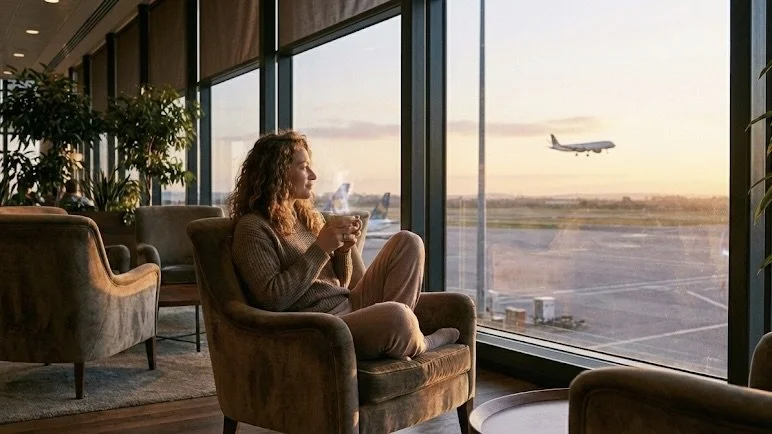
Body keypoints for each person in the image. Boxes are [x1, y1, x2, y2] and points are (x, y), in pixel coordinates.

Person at [229, 130, 459, 360]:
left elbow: (342, 283)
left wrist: (343, 251)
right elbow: (273, 298)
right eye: (303, 167)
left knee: (409, 242)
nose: (313, 175)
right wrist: (321, 249)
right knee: (397, 316)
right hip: (321, 326)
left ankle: (399, 339)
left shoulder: (308, 217)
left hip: (350, 307)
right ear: (277, 173)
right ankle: (421, 342)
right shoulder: (253, 228)